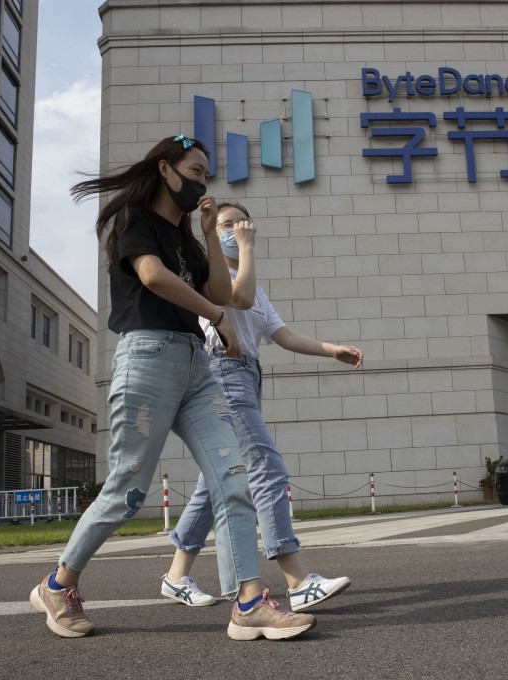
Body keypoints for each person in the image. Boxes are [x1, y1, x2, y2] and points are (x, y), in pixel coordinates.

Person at [29, 136, 315, 641]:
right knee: (126, 491)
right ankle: (58, 583)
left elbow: (223, 292)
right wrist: (215, 317)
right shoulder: (134, 221)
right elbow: (154, 277)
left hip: (195, 366)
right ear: (165, 169)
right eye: (195, 171)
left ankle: (249, 603)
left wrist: (208, 236)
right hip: (148, 358)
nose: (203, 182)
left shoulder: (186, 236)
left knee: (234, 475)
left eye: (207, 175)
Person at [161, 201, 363, 612]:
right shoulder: (207, 274)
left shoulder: (255, 284)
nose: (235, 229)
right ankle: (296, 577)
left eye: (240, 223)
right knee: (266, 467)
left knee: (217, 477)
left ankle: (176, 575)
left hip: (248, 376)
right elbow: (237, 299)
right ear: (211, 232)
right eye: (226, 224)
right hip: (222, 371)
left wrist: (331, 350)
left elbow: (282, 335)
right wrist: (247, 250)